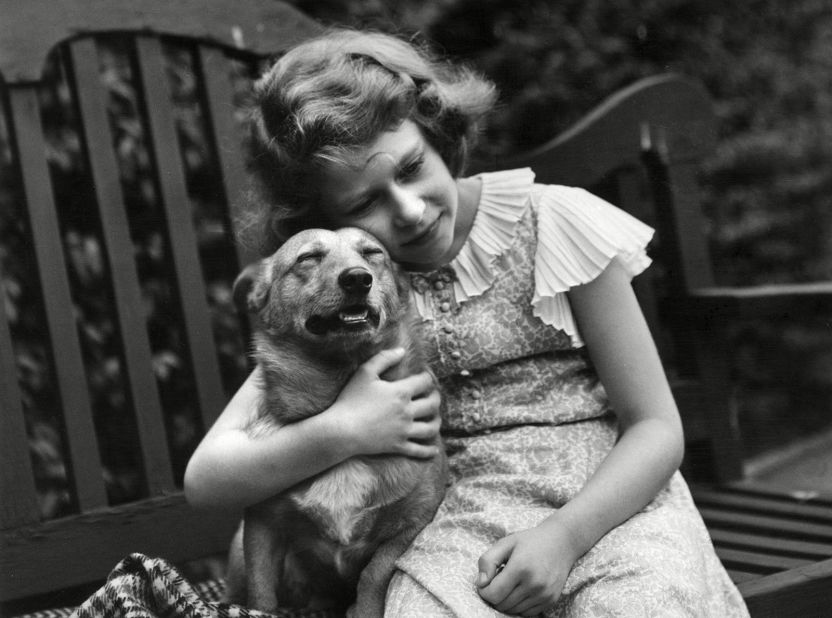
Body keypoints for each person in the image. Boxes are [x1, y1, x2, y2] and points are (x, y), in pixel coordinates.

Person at [184, 28, 749, 617]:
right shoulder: (359, 304)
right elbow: (207, 478)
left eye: (410, 167)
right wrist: (345, 427)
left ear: (437, 133)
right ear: (323, 216)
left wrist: (565, 537)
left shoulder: (553, 223)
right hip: (457, 524)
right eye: (361, 204)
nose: (408, 210)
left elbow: (657, 427)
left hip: (608, 505)